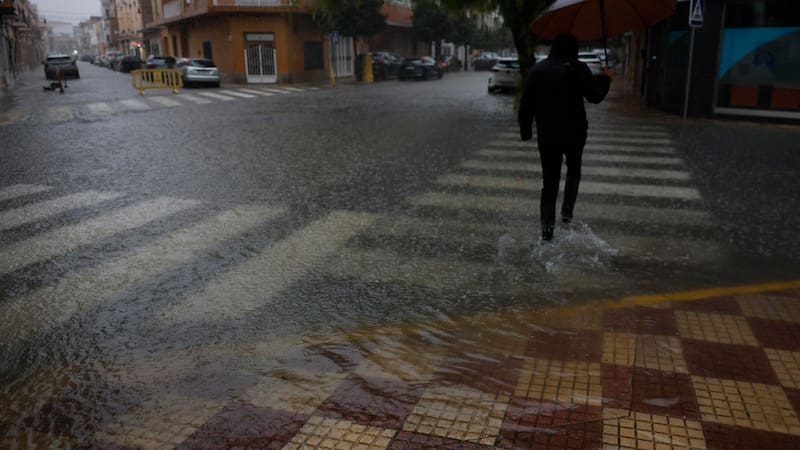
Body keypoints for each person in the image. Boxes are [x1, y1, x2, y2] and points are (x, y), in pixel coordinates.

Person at [518, 34, 614, 242]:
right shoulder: (578, 68)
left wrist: (526, 131)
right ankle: (567, 213)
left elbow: (526, 105)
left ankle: (547, 233)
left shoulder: (538, 70)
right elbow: (595, 96)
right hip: (574, 133)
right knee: (574, 168)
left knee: (549, 182)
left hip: (548, 135)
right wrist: (606, 78)